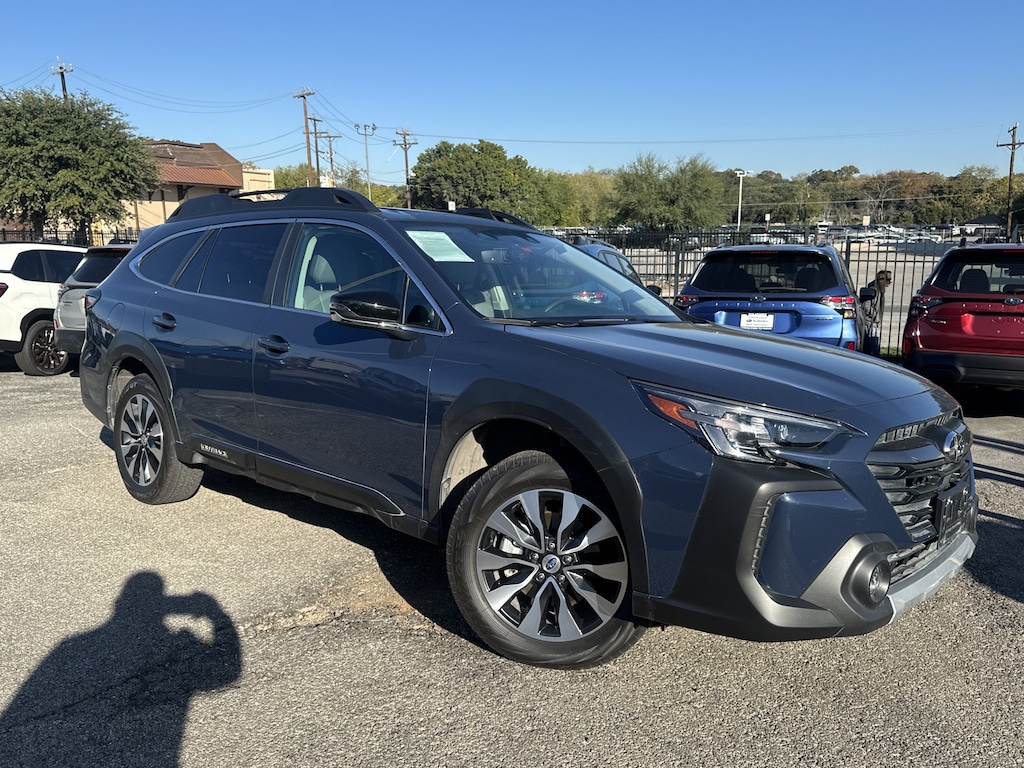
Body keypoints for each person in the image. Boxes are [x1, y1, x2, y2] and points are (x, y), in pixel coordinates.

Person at [862, 269, 891, 356]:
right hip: (870, 322)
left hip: (874, 322)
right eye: (888, 280)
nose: (890, 283)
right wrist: (875, 315)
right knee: (873, 346)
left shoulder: (880, 291)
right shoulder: (873, 290)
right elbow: (866, 306)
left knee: (873, 344)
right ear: (882, 280)